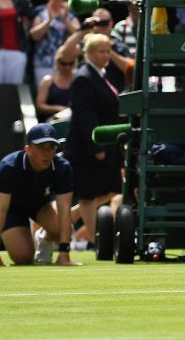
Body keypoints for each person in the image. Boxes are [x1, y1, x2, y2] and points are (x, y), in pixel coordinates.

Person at [0, 123, 77, 266]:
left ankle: (44, 238)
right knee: (24, 258)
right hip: (11, 209)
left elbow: (64, 211)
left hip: (40, 204)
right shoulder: (8, 166)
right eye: (41, 147)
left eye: (51, 147)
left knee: (63, 229)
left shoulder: (63, 168)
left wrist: (64, 254)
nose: (47, 153)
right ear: (28, 149)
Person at [65, 33, 122, 246]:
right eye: (101, 51)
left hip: (106, 144)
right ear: (88, 53)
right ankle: (95, 239)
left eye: (108, 51)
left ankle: (69, 217)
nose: (106, 55)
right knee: (87, 194)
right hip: (86, 149)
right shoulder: (83, 77)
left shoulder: (101, 74)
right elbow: (84, 116)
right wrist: (95, 145)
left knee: (112, 189)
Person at [35, 47, 74, 121]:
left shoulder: (78, 80)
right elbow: (40, 106)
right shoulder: (47, 80)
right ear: (57, 62)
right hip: (51, 121)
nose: (67, 67)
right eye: (63, 63)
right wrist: (60, 109)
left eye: (70, 63)